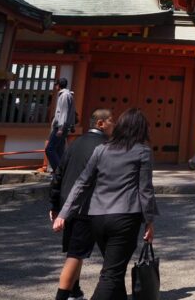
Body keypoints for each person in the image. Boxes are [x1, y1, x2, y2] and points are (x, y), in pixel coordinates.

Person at [54, 107, 158, 300]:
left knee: (114, 269)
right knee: (111, 274)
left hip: (97, 217)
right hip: (125, 217)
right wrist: (149, 222)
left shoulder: (101, 150)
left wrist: (63, 213)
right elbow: (145, 190)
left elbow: (82, 183)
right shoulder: (142, 151)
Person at [49, 108, 114, 300]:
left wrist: (54, 204)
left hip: (67, 204)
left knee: (75, 250)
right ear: (100, 123)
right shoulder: (106, 146)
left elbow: (58, 173)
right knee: (76, 253)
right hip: (88, 205)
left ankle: (74, 291)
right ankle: (62, 296)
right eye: (111, 120)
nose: (114, 124)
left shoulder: (76, 143)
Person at [45, 77, 75, 173]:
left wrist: (61, 128)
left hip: (60, 127)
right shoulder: (67, 95)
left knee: (50, 149)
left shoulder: (64, 96)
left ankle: (59, 172)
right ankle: (63, 170)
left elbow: (64, 112)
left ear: (58, 85)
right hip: (63, 126)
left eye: (56, 85)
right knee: (59, 150)